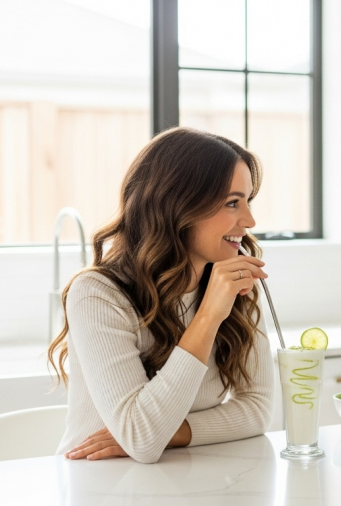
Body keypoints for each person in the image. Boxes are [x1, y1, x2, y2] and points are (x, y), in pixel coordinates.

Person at [48, 127, 274, 464]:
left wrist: (177, 432)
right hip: (98, 483)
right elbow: (141, 438)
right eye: (232, 203)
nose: (249, 220)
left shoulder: (230, 283)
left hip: (186, 480)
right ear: (177, 205)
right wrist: (209, 315)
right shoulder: (97, 294)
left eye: (247, 201)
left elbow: (258, 409)